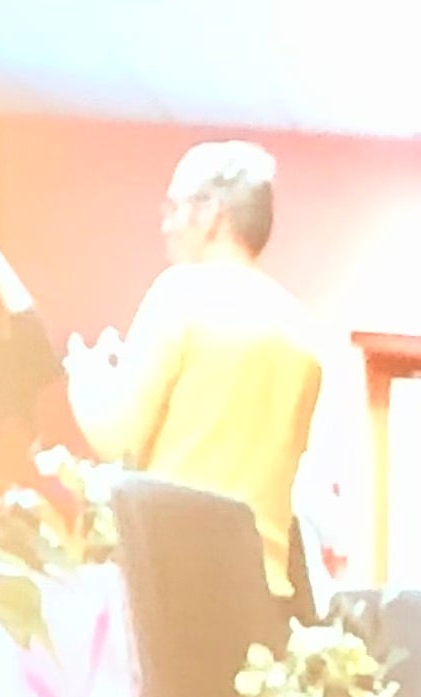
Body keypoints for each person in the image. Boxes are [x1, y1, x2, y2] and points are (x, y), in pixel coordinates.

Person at [66, 141, 339, 598]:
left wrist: (85, 379)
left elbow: (118, 439)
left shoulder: (182, 295)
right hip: (262, 585)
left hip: (176, 572)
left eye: (173, 208)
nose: (166, 225)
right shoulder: (302, 329)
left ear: (211, 213)